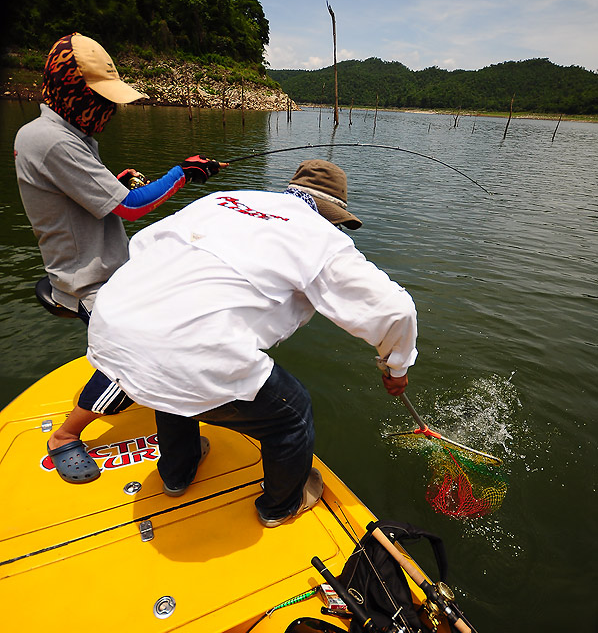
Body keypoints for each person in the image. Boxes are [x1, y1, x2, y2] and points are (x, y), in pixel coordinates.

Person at [86, 159, 418, 526]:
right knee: (292, 413)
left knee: (171, 360)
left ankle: (177, 473)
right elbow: (396, 310)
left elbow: (145, 244)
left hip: (112, 320)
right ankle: (280, 505)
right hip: (177, 348)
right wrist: (397, 366)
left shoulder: (224, 199)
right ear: (330, 213)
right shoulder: (320, 237)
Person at [14, 32, 226, 482]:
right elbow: (130, 207)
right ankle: (65, 436)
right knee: (131, 369)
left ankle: (181, 453)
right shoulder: (54, 141)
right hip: (90, 279)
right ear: (75, 91)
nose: (108, 109)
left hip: (109, 267)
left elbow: (87, 192)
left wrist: (115, 179)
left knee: (167, 338)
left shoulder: (65, 132)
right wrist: (181, 174)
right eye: (101, 99)